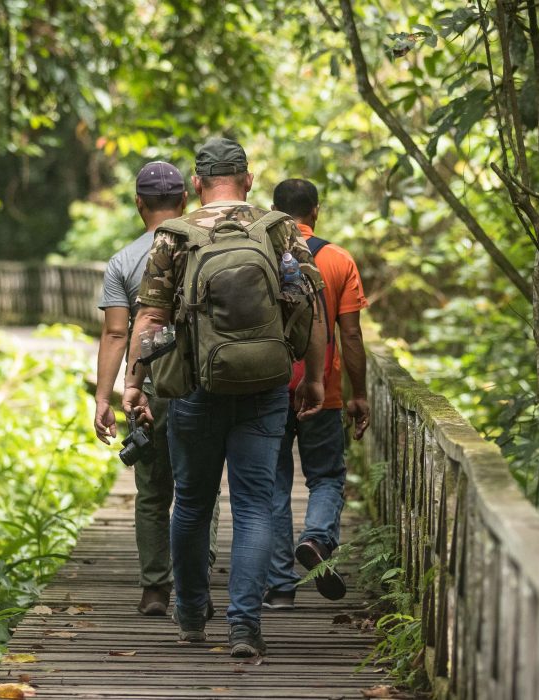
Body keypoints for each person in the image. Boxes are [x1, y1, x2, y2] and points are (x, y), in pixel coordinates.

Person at [121, 138, 328, 658]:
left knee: (191, 503)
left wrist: (133, 382)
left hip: (193, 387)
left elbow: (150, 317)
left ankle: (191, 615)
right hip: (264, 386)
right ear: (249, 179)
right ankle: (244, 626)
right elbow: (310, 305)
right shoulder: (278, 228)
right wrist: (315, 379)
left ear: (196, 184)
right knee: (256, 505)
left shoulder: (174, 236)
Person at [93, 161, 219, 617]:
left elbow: (115, 334)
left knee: (151, 489)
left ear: (138, 204)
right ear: (186, 199)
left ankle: (154, 588)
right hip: (202, 383)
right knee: (200, 487)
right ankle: (197, 582)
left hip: (147, 387)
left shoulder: (124, 261)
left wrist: (105, 397)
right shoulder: (206, 245)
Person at [263, 178, 370, 609]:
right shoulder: (339, 260)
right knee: (325, 476)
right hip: (322, 388)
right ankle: (317, 540)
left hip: (266, 387)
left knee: (273, 484)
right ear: (316, 211)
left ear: (273, 210)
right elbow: (351, 333)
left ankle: (280, 587)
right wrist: (357, 393)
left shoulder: (261, 254)